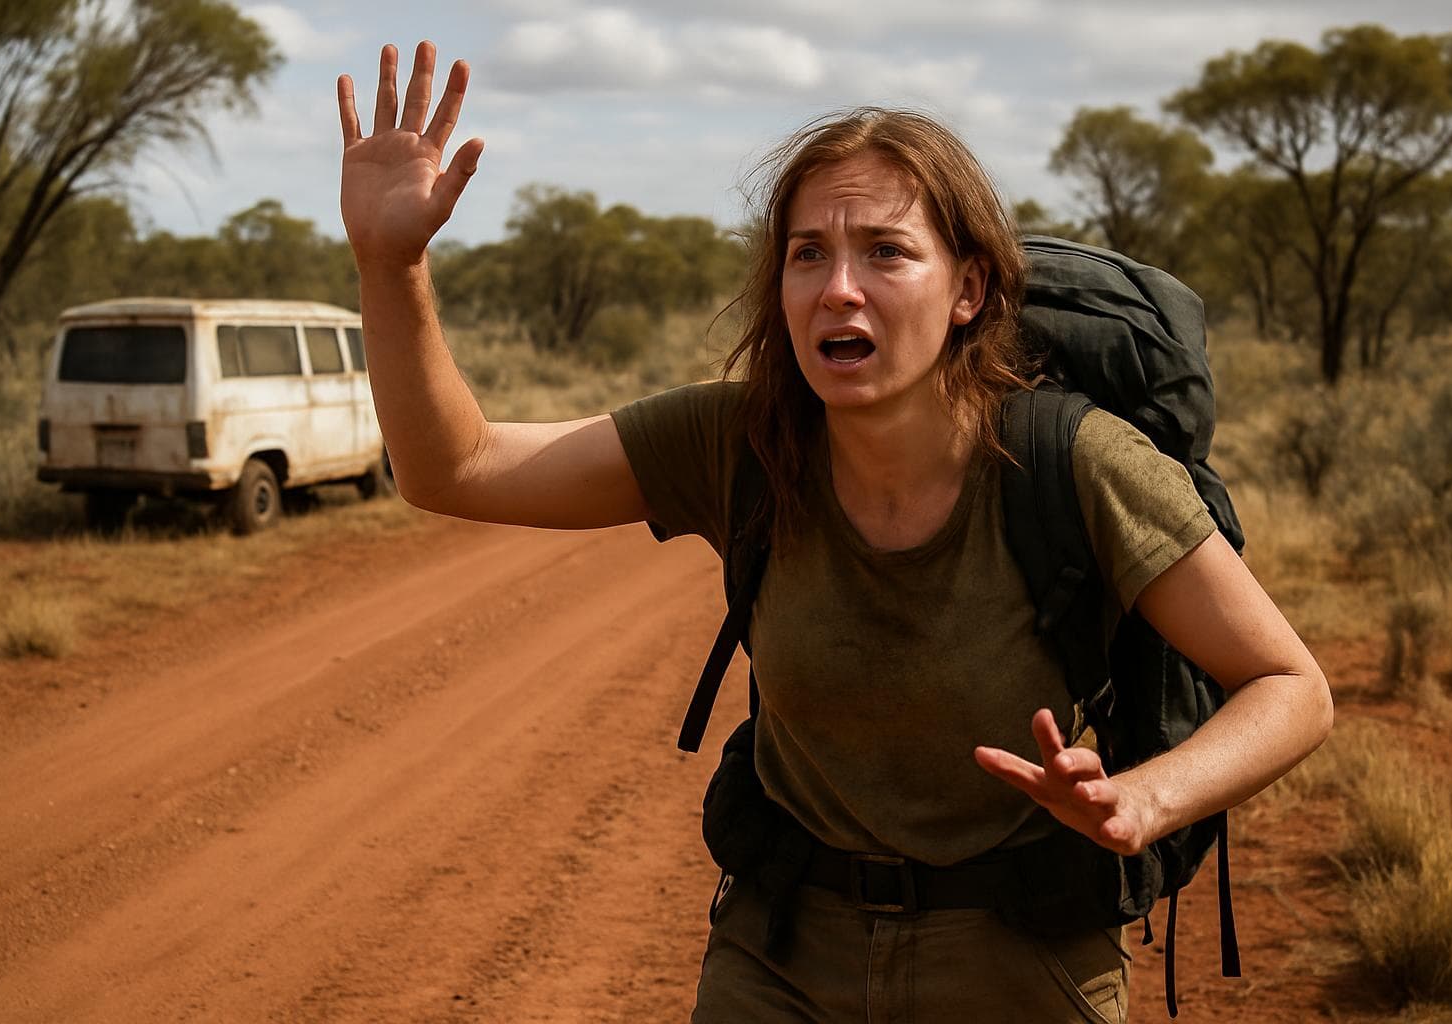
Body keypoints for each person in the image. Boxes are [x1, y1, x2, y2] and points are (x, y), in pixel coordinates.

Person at [337, 41, 1333, 1024]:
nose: (837, 287)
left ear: (969, 291)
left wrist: (1145, 798)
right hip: (782, 952)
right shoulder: (740, 440)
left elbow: (1292, 687)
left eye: (886, 252)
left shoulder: (1080, 462)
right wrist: (394, 266)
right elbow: (451, 468)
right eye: (808, 253)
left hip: (1023, 957)